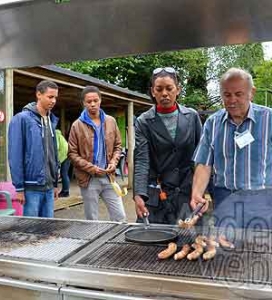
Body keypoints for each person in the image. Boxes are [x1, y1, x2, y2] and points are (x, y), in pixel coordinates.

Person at [191, 68, 272, 229]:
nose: (232, 100)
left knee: (261, 248)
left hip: (262, 201)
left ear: (251, 93)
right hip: (225, 199)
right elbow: (204, 163)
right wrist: (197, 193)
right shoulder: (212, 123)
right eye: (227, 95)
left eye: (238, 94)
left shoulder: (269, 119)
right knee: (225, 248)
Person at [134, 67, 202, 224]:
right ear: (152, 91)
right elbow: (142, 160)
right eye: (159, 89)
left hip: (188, 192)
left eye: (169, 88)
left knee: (191, 241)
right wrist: (139, 194)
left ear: (178, 90)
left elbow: (202, 156)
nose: (164, 93)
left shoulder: (191, 117)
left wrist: (205, 190)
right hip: (158, 192)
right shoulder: (144, 121)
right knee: (153, 242)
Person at [68, 85, 126, 221]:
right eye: (89, 101)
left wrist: (113, 162)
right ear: (83, 103)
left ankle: (116, 241)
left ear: (100, 100)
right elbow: (72, 154)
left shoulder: (111, 121)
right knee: (92, 220)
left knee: (120, 217)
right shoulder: (77, 125)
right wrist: (92, 169)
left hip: (109, 177)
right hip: (89, 179)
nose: (93, 104)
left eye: (95, 100)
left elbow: (118, 146)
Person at [8, 80, 59, 218]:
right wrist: (19, 188)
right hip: (31, 188)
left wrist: (54, 183)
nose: (53, 101)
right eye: (50, 97)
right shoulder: (21, 119)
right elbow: (15, 155)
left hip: (48, 187)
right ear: (38, 94)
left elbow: (53, 154)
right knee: (30, 232)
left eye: (55, 97)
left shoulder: (51, 120)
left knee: (47, 229)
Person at [56, 128, 71, 197]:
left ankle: (65, 192)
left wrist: (57, 161)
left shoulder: (55, 134)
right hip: (67, 155)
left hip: (64, 156)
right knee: (64, 174)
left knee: (64, 174)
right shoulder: (60, 135)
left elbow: (57, 147)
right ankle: (65, 191)